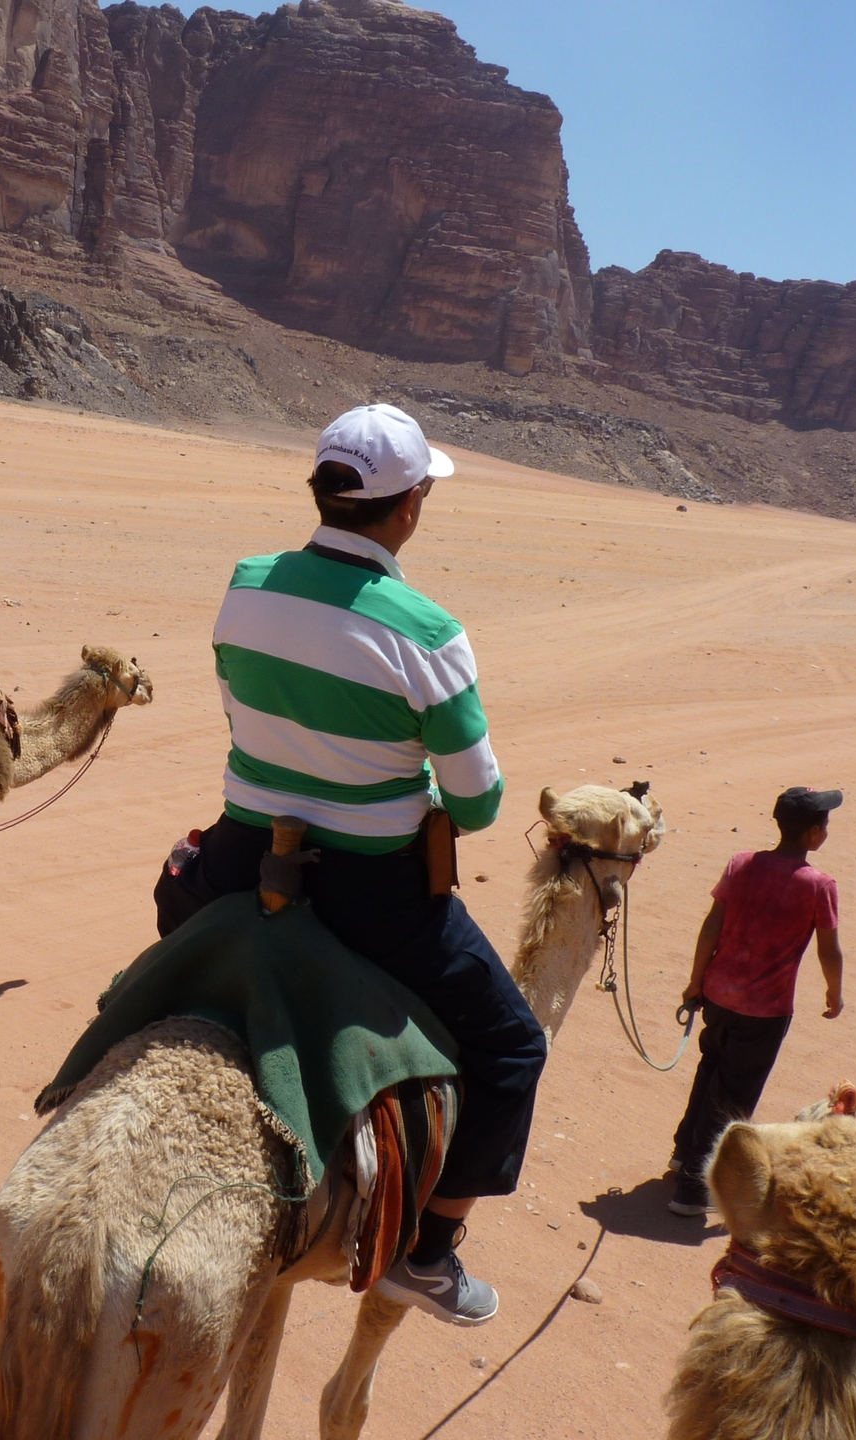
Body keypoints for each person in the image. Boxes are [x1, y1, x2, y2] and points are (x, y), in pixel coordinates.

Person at [159, 403, 545, 1327]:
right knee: (512, 1047)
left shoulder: (247, 585)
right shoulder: (427, 632)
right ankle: (430, 1254)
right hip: (378, 893)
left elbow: (241, 714)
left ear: (323, 493)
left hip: (245, 855)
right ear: (408, 506)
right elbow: (479, 803)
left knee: (174, 901)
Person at [668, 786, 846, 1216]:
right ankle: (694, 1190)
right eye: (825, 824)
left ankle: (682, 1152)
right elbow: (829, 951)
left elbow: (712, 925)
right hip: (764, 1011)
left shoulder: (741, 863)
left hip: (717, 995)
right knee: (733, 1096)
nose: (827, 830)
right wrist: (835, 993)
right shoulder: (819, 886)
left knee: (710, 1071)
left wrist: (695, 981)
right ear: (812, 834)